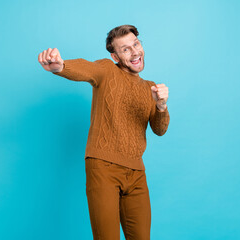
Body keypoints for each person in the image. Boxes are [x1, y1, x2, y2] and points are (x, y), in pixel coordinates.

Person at [38, 24, 170, 240]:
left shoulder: (150, 88)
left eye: (136, 44)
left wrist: (161, 106)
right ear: (115, 56)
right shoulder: (107, 70)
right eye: (125, 49)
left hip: (136, 174)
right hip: (103, 168)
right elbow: (87, 68)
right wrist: (60, 66)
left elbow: (159, 129)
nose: (135, 51)